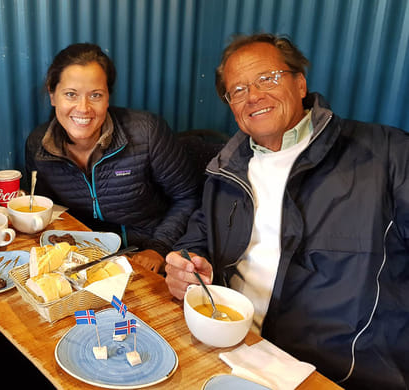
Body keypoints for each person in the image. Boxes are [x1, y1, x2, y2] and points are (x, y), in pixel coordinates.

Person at [165, 33, 409, 389]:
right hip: (234, 347)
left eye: (267, 78)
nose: (253, 96)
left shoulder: (387, 154)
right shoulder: (226, 167)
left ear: (300, 83)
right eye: (238, 90)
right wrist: (187, 267)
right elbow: (197, 238)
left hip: (338, 373)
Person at [26, 43, 203, 272]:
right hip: (83, 259)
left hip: (145, 252)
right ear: (53, 95)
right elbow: (47, 210)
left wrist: (158, 248)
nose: (83, 108)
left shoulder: (147, 133)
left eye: (95, 95)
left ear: (107, 97)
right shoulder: (39, 146)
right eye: (71, 94)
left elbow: (187, 197)